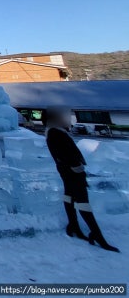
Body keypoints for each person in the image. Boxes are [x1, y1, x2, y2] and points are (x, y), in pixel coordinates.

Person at [44, 107, 119, 253]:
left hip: (67, 171)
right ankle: (97, 235)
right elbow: (64, 153)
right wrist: (76, 166)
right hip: (72, 171)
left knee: (70, 196)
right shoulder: (55, 133)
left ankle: (74, 226)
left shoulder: (54, 132)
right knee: (83, 202)